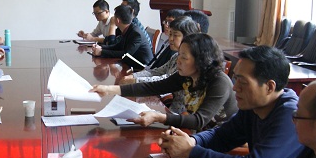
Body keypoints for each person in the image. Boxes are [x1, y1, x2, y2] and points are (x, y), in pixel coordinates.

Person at [159, 45, 302, 158]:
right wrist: (192, 141)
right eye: (235, 79)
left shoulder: (292, 116)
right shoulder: (254, 106)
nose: (235, 88)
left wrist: (190, 152)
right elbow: (221, 136)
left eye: (243, 82)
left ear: (269, 87)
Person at [91, 33, 237, 131]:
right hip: (199, 135)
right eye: (179, 55)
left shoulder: (219, 82)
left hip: (222, 142)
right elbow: (153, 87)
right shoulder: (187, 75)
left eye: (184, 57)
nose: (178, 61)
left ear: (201, 60)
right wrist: (109, 90)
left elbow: (199, 121)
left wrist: (158, 117)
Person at [123, 16, 201, 84]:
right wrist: (133, 76)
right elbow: (158, 71)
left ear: (187, 37)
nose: (170, 39)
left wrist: (135, 80)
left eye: (175, 35)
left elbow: (167, 79)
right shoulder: (176, 56)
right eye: (170, 34)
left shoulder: (189, 60)